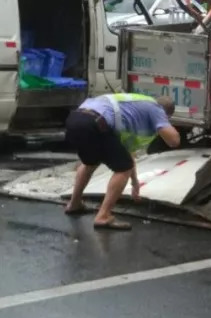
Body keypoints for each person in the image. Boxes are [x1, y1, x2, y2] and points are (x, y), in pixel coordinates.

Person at [62, 93, 180, 231]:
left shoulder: (134, 106)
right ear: (166, 114)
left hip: (75, 119)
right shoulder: (156, 108)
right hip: (96, 123)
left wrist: (135, 183)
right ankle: (103, 216)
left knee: (90, 163)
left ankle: (74, 204)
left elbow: (127, 156)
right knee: (122, 169)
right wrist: (164, 125)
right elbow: (174, 141)